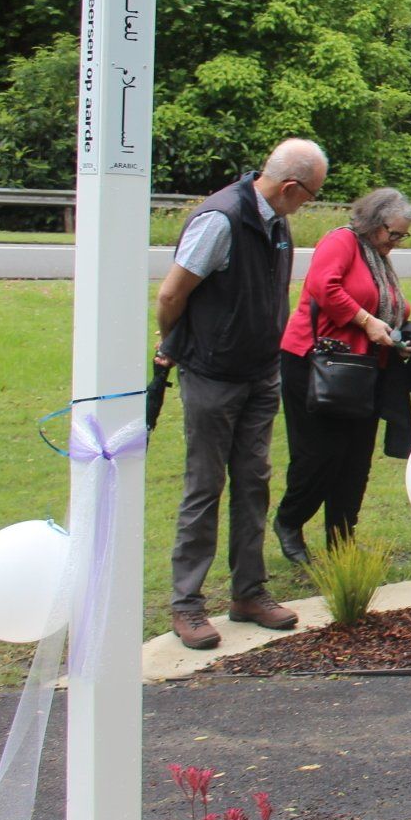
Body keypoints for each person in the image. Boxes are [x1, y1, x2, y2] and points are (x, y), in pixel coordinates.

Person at [156, 137, 327, 651]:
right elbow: (172, 293)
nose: (309, 204)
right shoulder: (222, 219)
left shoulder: (277, 222)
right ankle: (187, 605)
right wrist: (174, 344)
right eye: (311, 195)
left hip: (259, 373)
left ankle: (248, 593)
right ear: (291, 186)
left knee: (253, 482)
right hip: (211, 373)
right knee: (203, 487)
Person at [275, 187, 411, 562]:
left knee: (355, 458)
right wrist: (368, 321)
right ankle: (290, 523)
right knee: (319, 454)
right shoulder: (342, 242)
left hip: (364, 371)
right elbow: (324, 287)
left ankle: (341, 538)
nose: (396, 242)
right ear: (373, 222)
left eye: (403, 236)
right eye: (393, 233)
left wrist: (399, 330)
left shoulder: (377, 257)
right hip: (318, 362)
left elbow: (390, 303)